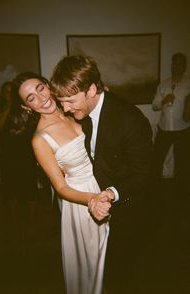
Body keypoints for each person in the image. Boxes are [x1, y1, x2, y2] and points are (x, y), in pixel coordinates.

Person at [50, 55, 154, 294]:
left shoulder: (130, 120)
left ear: (92, 90)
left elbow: (144, 174)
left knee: (121, 271)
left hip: (128, 208)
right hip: (93, 204)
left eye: (70, 101)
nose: (65, 108)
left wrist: (110, 193)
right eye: (61, 101)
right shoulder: (80, 113)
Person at [12, 72, 112, 294]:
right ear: (27, 108)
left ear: (48, 85)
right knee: (94, 263)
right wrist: (92, 199)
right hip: (81, 200)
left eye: (40, 88)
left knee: (110, 262)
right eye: (31, 98)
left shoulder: (74, 111)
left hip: (106, 185)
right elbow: (60, 187)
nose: (41, 98)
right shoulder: (40, 139)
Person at [0, 81, 39, 253]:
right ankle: (14, 223)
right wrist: (8, 108)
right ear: (3, 94)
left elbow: (35, 129)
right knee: (10, 189)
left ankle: (32, 224)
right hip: (8, 156)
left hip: (26, 154)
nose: (9, 94)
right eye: (6, 92)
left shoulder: (26, 109)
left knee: (30, 188)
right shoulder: (0, 110)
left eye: (12, 92)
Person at [152, 52, 190, 195]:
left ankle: (181, 192)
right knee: (156, 159)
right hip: (164, 128)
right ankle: (153, 190)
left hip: (183, 129)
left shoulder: (189, 84)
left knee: (182, 162)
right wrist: (163, 101)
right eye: (174, 63)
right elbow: (154, 106)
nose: (176, 66)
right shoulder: (164, 84)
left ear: (184, 66)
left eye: (180, 63)